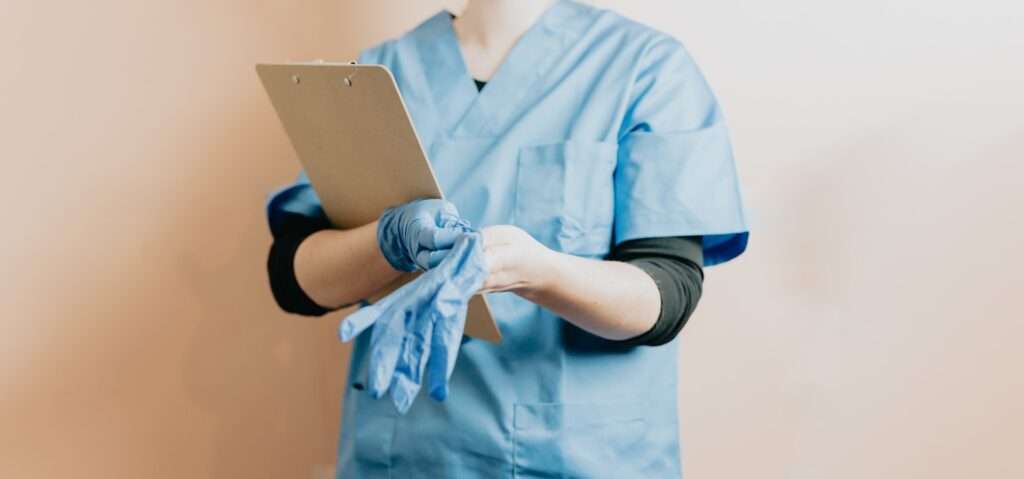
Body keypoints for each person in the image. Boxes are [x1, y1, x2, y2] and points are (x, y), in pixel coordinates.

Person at [264, 0, 749, 476]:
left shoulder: (645, 68)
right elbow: (295, 278)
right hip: (406, 454)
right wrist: (387, 242)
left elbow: (667, 292)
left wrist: (537, 272)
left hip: (573, 457)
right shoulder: (379, 71)